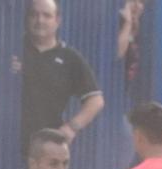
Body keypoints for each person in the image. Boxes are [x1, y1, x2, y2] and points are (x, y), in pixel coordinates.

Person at [21, 0, 106, 159]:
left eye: (47, 15)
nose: (40, 20)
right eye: (34, 14)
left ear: (57, 21)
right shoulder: (14, 48)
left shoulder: (69, 58)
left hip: (46, 149)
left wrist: (72, 127)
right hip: (6, 144)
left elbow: (96, 100)